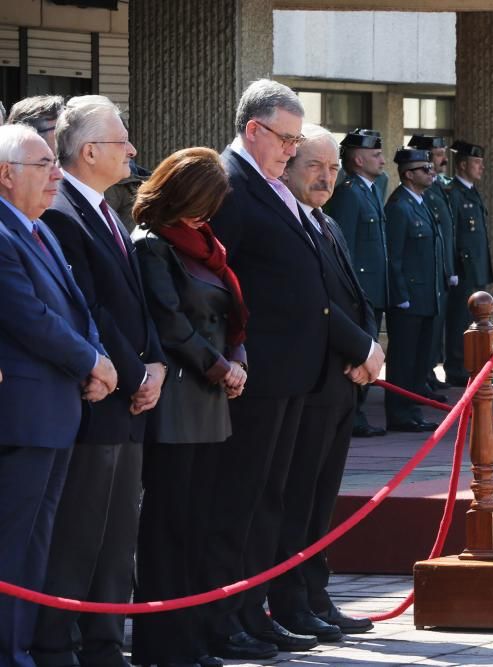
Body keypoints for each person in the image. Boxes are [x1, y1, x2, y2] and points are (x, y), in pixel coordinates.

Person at [203, 79, 364, 659]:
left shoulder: (269, 186)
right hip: (256, 376)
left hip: (291, 376)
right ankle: (223, 620)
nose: (291, 153)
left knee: (268, 502)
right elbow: (219, 283)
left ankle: (251, 611)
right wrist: (229, 356)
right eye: (287, 140)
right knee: (240, 503)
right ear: (254, 130)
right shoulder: (231, 184)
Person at [33, 95, 166, 667]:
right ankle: (59, 644)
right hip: (100, 398)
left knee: (116, 537)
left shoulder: (109, 211)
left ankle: (106, 643)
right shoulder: (61, 210)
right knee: (79, 534)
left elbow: (135, 304)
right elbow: (89, 307)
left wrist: (156, 365)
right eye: (122, 140)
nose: (133, 149)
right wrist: (135, 374)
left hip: (132, 396)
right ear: (89, 152)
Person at [0, 122, 114, 667]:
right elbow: (31, 318)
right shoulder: (2, 234)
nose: (55, 175)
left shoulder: (37, 228)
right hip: (24, 415)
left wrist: (96, 360)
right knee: (12, 543)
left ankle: (20, 647)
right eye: (43, 165)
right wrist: (91, 361)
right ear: (5, 175)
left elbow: (75, 306)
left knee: (35, 542)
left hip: (58, 409)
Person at [129, 147, 247, 667]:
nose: (208, 214)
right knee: (169, 527)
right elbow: (170, 321)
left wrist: (237, 356)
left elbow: (228, 310)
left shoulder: (203, 243)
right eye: (202, 202)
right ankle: (166, 645)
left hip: (209, 401)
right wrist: (220, 365)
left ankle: (195, 640)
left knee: (199, 524)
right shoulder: (152, 245)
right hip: (178, 401)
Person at [266, 123, 378, 640]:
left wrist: (369, 352)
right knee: (296, 500)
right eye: (314, 166)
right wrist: (361, 350)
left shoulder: (326, 223)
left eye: (333, 168)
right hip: (309, 385)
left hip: (342, 384)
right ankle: (291, 602)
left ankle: (316, 594)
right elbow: (316, 307)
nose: (325, 178)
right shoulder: (288, 226)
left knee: (321, 502)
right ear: (286, 166)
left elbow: (355, 297)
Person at [327, 128, 389, 438]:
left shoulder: (370, 191)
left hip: (373, 289)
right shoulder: (349, 194)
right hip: (358, 290)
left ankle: (358, 412)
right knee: (359, 353)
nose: (382, 160)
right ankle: (353, 415)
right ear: (358, 158)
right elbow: (345, 247)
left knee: (370, 350)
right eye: (376, 155)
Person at [384, 146, 445, 431]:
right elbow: (393, 257)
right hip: (409, 299)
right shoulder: (399, 207)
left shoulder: (421, 202)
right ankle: (399, 412)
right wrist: (401, 296)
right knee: (404, 359)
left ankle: (410, 410)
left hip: (426, 297)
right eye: (424, 169)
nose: (431, 172)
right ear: (408, 175)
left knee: (420, 358)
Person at [407, 134, 456, 397]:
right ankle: (421, 378)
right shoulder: (411, 198)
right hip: (421, 280)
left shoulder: (436, 188)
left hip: (438, 273)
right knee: (419, 340)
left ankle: (426, 376)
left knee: (433, 333)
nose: (441, 161)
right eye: (436, 156)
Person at [444, 139, 493, 386]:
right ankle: (456, 367)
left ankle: (467, 363)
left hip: (476, 269)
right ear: (462, 165)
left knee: (472, 321)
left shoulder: (472, 192)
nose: (481, 167)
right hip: (462, 270)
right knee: (459, 321)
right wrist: (451, 269)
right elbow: (452, 234)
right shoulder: (453, 193)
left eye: (481, 162)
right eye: (476, 162)